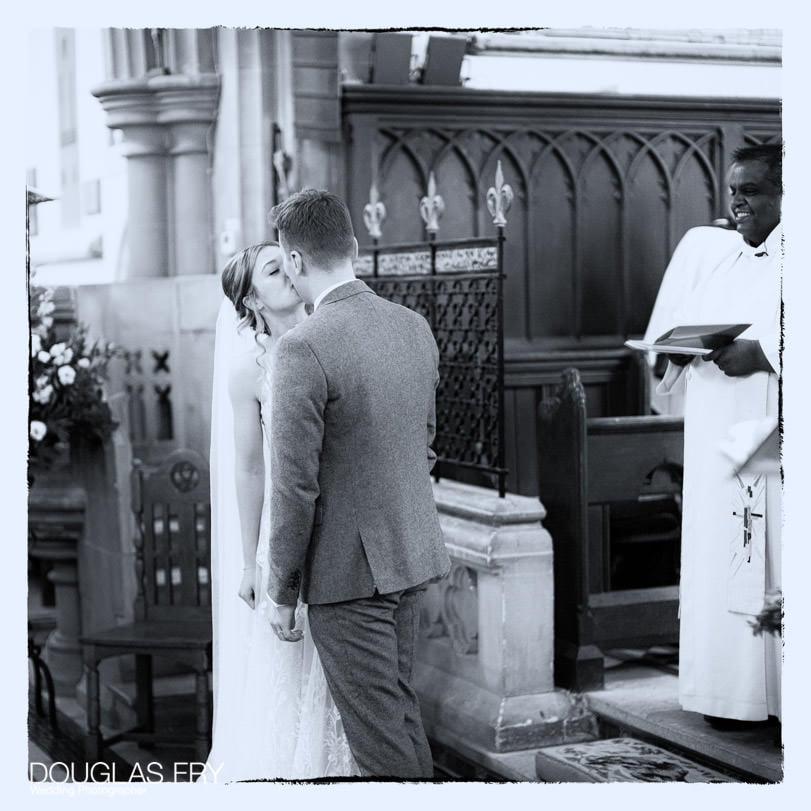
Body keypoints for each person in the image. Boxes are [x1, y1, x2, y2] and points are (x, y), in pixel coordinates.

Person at [265, 189, 451, 778]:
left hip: (348, 574)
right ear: (351, 244)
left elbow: (294, 488)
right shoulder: (413, 326)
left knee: (380, 743)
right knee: (397, 717)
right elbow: (425, 443)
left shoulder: (302, 347)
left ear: (295, 262)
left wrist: (282, 589)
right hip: (410, 554)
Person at [206, 241, 357, 780]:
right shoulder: (249, 368)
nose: (291, 271)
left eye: (289, 259)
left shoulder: (337, 334)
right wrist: (251, 563)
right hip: (286, 531)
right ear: (251, 299)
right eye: (274, 268)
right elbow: (249, 469)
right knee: (291, 674)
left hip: (349, 530)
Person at [645, 143, 782, 726]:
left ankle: (777, 700)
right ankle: (725, 697)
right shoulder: (717, 257)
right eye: (733, 190)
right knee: (716, 556)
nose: (738, 201)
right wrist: (672, 354)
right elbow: (675, 339)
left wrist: (768, 354)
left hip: (770, 448)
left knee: (772, 557)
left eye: (751, 190)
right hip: (713, 446)